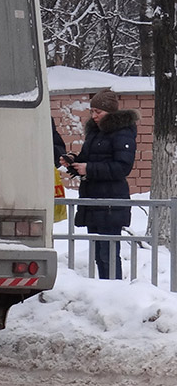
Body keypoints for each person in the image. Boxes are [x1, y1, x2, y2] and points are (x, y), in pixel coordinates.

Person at [59, 90, 137, 280]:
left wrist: (89, 169)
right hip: (94, 202)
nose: (93, 116)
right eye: (92, 111)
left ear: (110, 112)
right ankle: (104, 290)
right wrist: (74, 162)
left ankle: (113, 290)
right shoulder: (95, 133)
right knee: (98, 255)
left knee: (108, 254)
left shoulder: (122, 132)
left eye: (98, 112)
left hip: (111, 203)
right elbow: (88, 160)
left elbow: (122, 167)